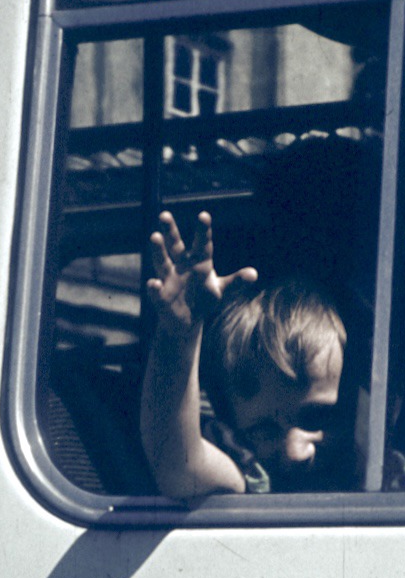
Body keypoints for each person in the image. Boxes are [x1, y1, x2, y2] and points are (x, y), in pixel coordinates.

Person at [140, 210, 348, 497]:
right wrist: (180, 335)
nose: (295, 453)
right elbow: (178, 467)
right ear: (234, 427)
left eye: (316, 418)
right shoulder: (251, 474)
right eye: (265, 431)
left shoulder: (378, 464)